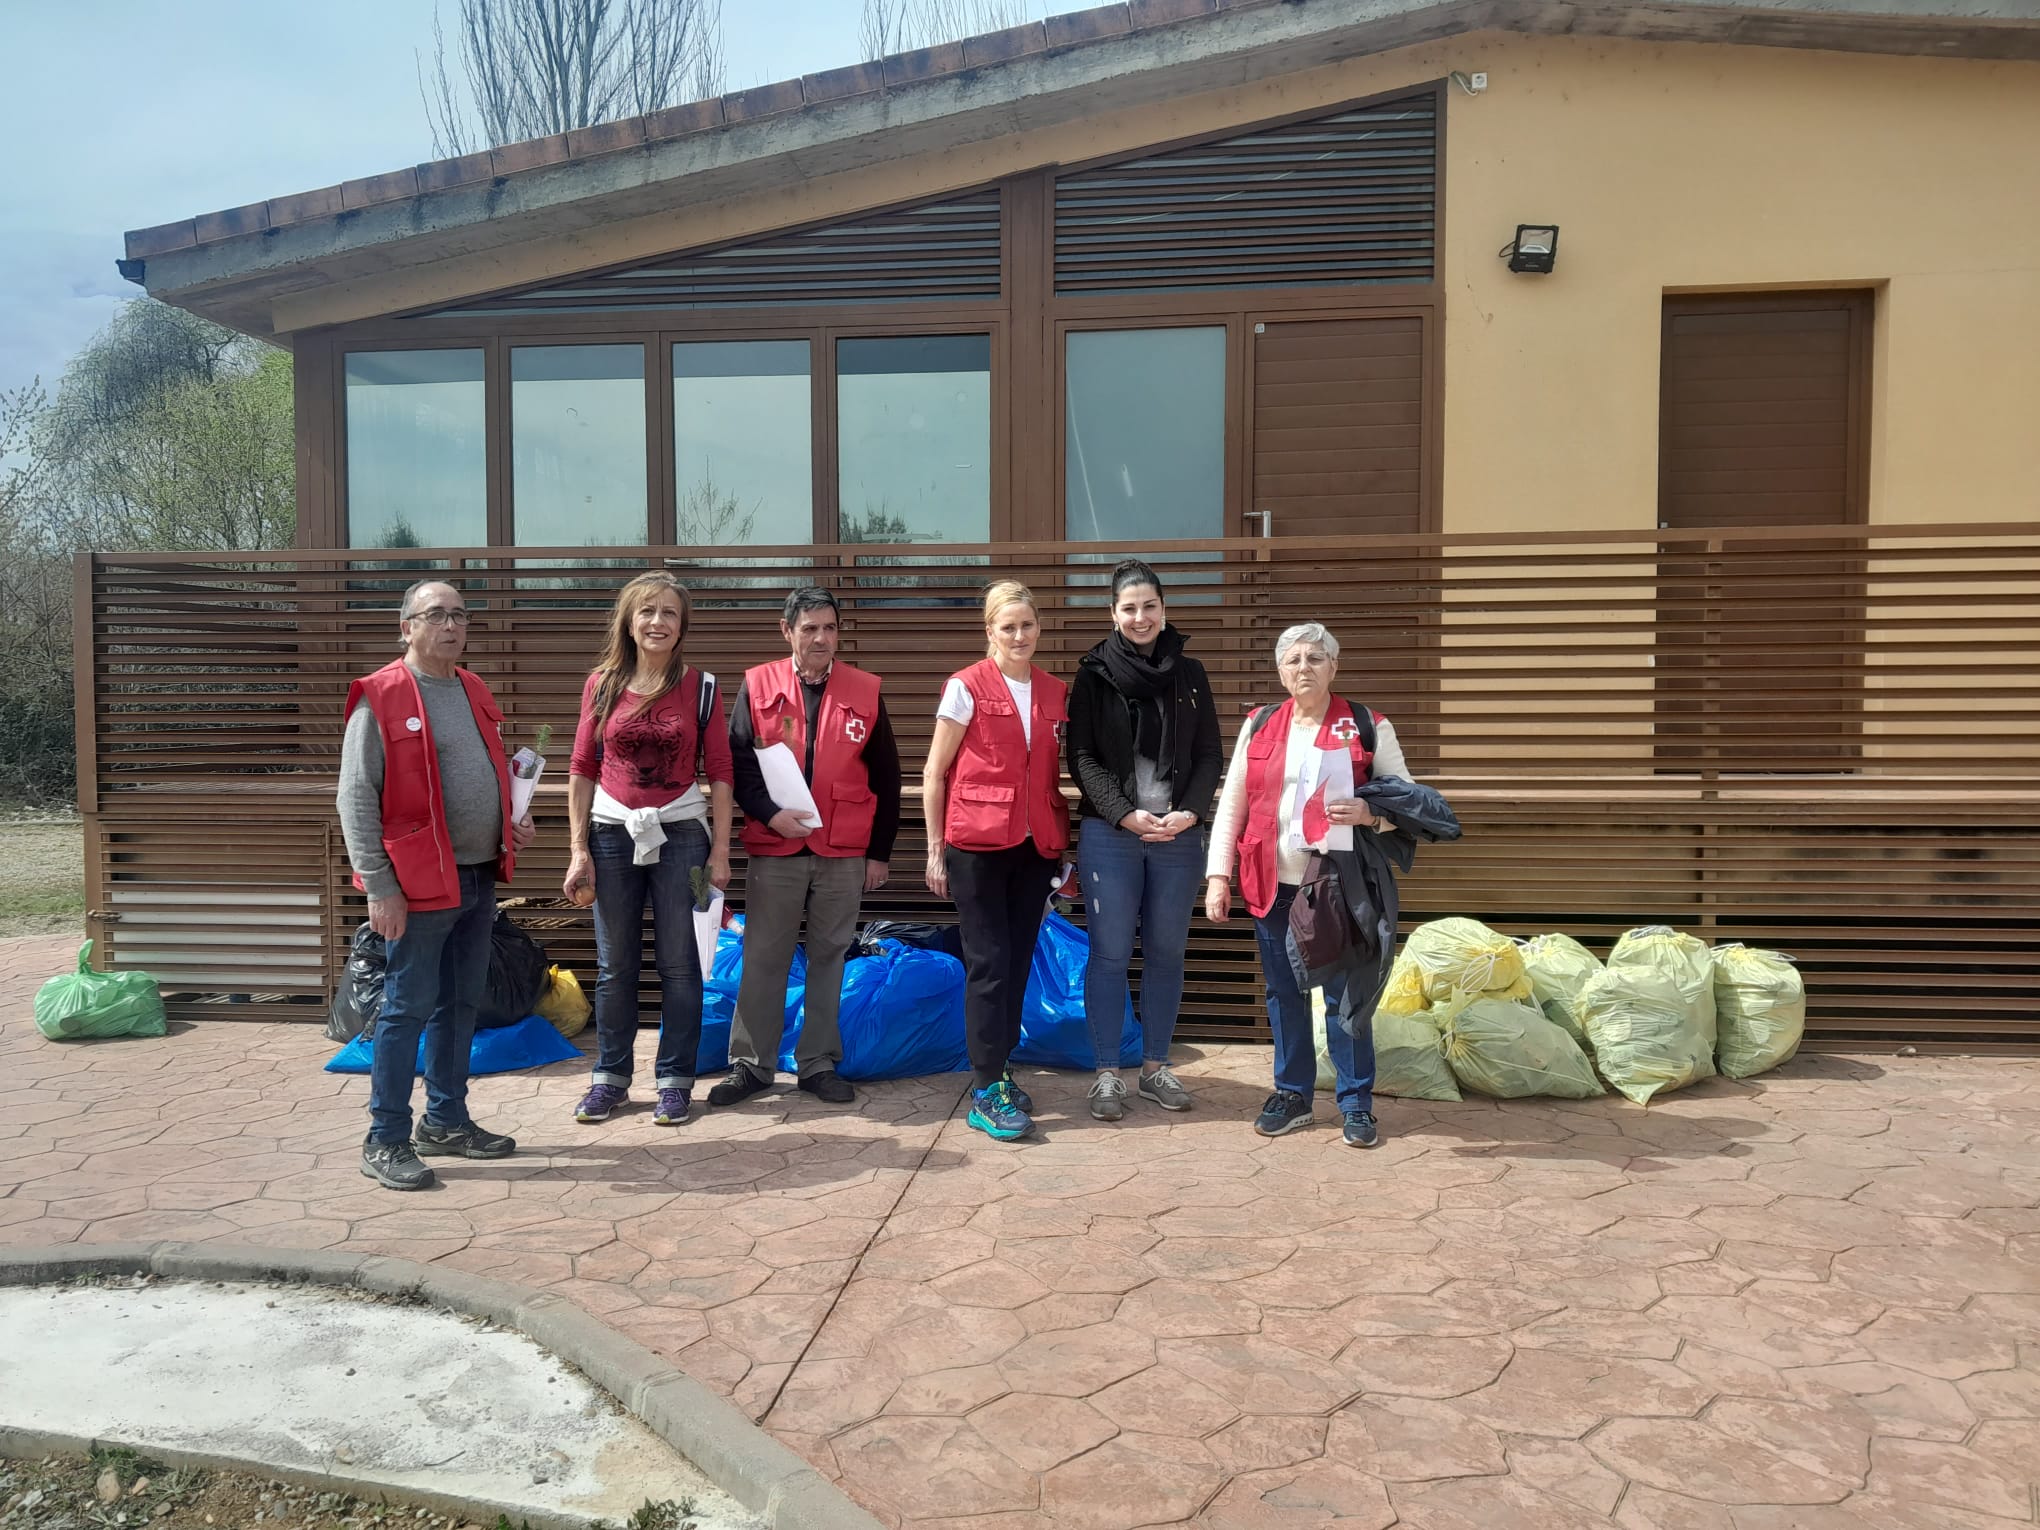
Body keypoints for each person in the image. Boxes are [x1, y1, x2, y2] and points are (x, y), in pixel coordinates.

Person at [1204, 622, 1438, 1147]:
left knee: (1344, 996)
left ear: (1334, 667)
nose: (1303, 668)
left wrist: (1368, 812)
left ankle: (1355, 1103)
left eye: (1315, 658)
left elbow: (1408, 804)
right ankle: (1292, 1095)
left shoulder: (1367, 725)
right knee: (1283, 994)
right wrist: (1217, 875)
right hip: (1271, 880)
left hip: (1338, 885)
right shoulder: (1260, 723)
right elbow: (1233, 804)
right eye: (1293, 660)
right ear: (1280, 670)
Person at [338, 580, 537, 1192]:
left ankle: (446, 1121)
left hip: (477, 877)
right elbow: (356, 798)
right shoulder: (381, 695)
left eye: (459, 615)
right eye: (435, 616)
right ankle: (386, 1137)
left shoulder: (473, 688)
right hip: (415, 885)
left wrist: (512, 816)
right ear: (406, 627)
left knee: (461, 1006)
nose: (451, 626)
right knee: (405, 1009)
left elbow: (485, 773)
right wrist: (379, 886)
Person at [712, 586, 903, 1108]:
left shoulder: (865, 689)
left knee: (830, 957)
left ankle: (817, 1063)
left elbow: (888, 776)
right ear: (787, 630)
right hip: (775, 848)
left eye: (830, 628)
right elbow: (736, 767)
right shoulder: (756, 685)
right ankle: (751, 1065)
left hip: (844, 852)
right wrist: (770, 815)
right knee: (763, 957)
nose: (821, 638)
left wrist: (879, 853)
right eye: (810, 628)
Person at [564, 573, 734, 1129]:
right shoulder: (602, 684)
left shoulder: (702, 687)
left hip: (685, 837)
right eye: (648, 612)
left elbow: (723, 773)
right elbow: (582, 768)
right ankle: (609, 1078)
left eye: (669, 613)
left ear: (682, 626)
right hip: (611, 834)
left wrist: (721, 854)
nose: (658, 622)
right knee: (616, 965)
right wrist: (577, 850)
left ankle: (675, 1081)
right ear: (629, 621)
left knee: (681, 964)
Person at [1067, 559, 1223, 1121]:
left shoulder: (1191, 673)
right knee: (1109, 954)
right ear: (1113, 613)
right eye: (1128, 608)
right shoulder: (1093, 674)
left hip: (1178, 836)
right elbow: (1082, 758)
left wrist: (1189, 812)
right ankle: (1108, 1073)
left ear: (1164, 610)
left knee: (1165, 953)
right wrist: (1124, 814)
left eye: (1149, 606)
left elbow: (1209, 754)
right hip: (1113, 834)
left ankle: (1156, 1068)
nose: (1140, 617)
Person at [922, 580, 1070, 1142]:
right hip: (976, 846)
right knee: (988, 965)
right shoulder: (965, 687)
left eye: (1027, 624)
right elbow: (935, 773)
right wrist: (935, 850)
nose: (1019, 635)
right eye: (1007, 626)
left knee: (1018, 962)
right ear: (990, 632)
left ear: (1039, 628)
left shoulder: (1055, 691)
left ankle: (1000, 1068)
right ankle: (986, 1090)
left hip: (1034, 847)